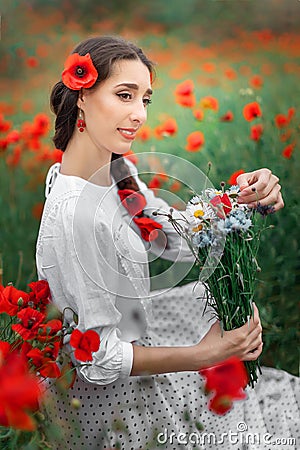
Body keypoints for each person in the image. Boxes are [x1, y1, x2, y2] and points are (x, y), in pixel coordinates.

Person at [36, 36, 299, 450]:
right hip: (105, 400)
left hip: (133, 324)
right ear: (82, 96)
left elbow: (166, 234)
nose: (139, 114)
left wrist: (241, 197)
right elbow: (98, 361)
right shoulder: (76, 215)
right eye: (124, 95)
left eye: (145, 99)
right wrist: (205, 355)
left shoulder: (114, 169)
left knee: (202, 301)